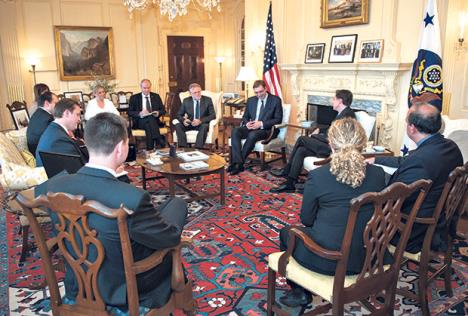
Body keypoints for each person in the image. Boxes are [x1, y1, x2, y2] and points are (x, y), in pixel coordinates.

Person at [35, 112, 188, 311]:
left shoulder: (51, 187)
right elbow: (168, 240)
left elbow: (27, 195)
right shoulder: (133, 197)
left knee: (171, 205)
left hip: (77, 282)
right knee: (176, 210)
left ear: (87, 143)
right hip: (127, 287)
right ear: (120, 149)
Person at [278, 118, 386, 307]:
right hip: (369, 255)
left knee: (287, 232)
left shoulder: (318, 176)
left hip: (329, 260)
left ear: (330, 143)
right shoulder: (378, 174)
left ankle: (299, 292)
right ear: (362, 143)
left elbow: (307, 220)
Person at [369, 99, 463, 253]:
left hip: (413, 232)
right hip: (441, 221)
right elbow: (406, 161)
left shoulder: (419, 161)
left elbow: (391, 199)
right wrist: (376, 159)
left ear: (412, 128)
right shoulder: (449, 147)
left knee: (359, 206)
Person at [270, 89, 356, 193]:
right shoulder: (342, 113)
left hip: (333, 149)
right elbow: (331, 129)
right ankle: (290, 183)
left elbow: (336, 137)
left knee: (302, 139)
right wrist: (320, 130)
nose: (332, 101)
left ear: (340, 101)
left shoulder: (347, 115)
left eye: (334, 99)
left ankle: (287, 169)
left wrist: (316, 136)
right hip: (327, 145)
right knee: (301, 150)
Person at [228, 80, 283, 175]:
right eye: (256, 92)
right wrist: (247, 123)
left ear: (266, 88)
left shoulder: (275, 100)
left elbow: (278, 119)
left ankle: (237, 164)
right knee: (235, 131)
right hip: (252, 127)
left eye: (261, 91)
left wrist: (261, 124)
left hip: (266, 129)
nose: (259, 94)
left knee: (253, 135)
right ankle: (238, 162)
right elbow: (245, 117)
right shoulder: (251, 100)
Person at [35, 98, 87, 166]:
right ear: (67, 113)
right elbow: (77, 167)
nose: (79, 119)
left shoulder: (53, 129)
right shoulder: (60, 140)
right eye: (77, 115)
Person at [174, 83, 216, 149]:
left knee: (204, 127)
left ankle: (198, 149)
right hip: (190, 123)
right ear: (190, 93)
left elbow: (213, 115)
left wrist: (200, 121)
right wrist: (184, 120)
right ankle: (183, 148)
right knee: (178, 125)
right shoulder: (186, 101)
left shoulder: (208, 100)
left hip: (201, 124)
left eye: (199, 92)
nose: (197, 94)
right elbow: (179, 114)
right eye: (194, 93)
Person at [128, 79, 166, 150]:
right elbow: (129, 112)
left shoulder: (156, 96)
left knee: (148, 124)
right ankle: (159, 138)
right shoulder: (134, 98)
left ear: (150, 87)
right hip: (140, 121)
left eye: (148, 88)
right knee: (149, 119)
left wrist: (158, 113)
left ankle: (150, 149)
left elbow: (163, 110)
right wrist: (139, 113)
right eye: (144, 88)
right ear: (141, 87)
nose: (146, 90)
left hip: (153, 122)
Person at [26, 91, 57, 156]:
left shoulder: (37, 113)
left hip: (35, 151)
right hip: (43, 155)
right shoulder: (48, 118)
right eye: (56, 103)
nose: (58, 107)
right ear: (47, 103)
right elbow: (56, 138)